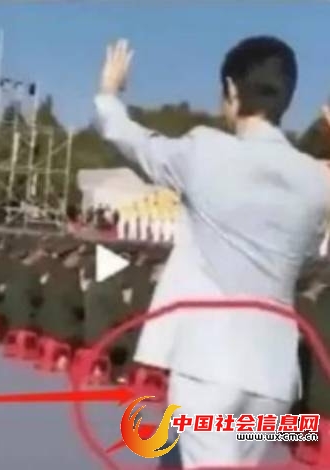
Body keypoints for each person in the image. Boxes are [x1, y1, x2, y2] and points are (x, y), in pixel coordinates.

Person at [95, 37, 330, 467]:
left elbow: (130, 139)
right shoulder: (317, 180)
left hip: (208, 362)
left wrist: (109, 94)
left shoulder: (204, 150)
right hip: (274, 374)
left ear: (231, 90)